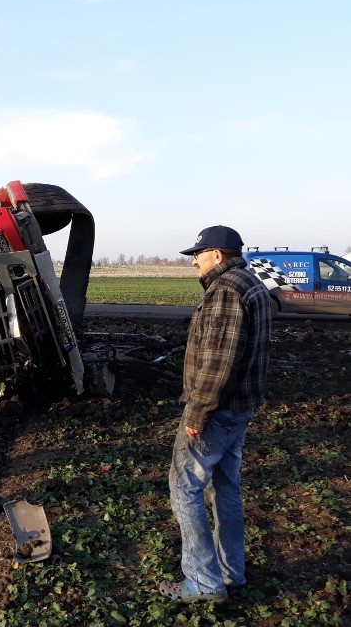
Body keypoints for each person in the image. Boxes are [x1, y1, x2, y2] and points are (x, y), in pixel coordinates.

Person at [159, 225, 272, 603]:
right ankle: (231, 571)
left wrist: (196, 413)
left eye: (198, 253)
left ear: (218, 255)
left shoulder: (226, 291)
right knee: (226, 486)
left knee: (185, 488)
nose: (194, 261)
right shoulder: (251, 283)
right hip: (240, 408)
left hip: (218, 411)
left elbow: (217, 364)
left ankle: (204, 582)